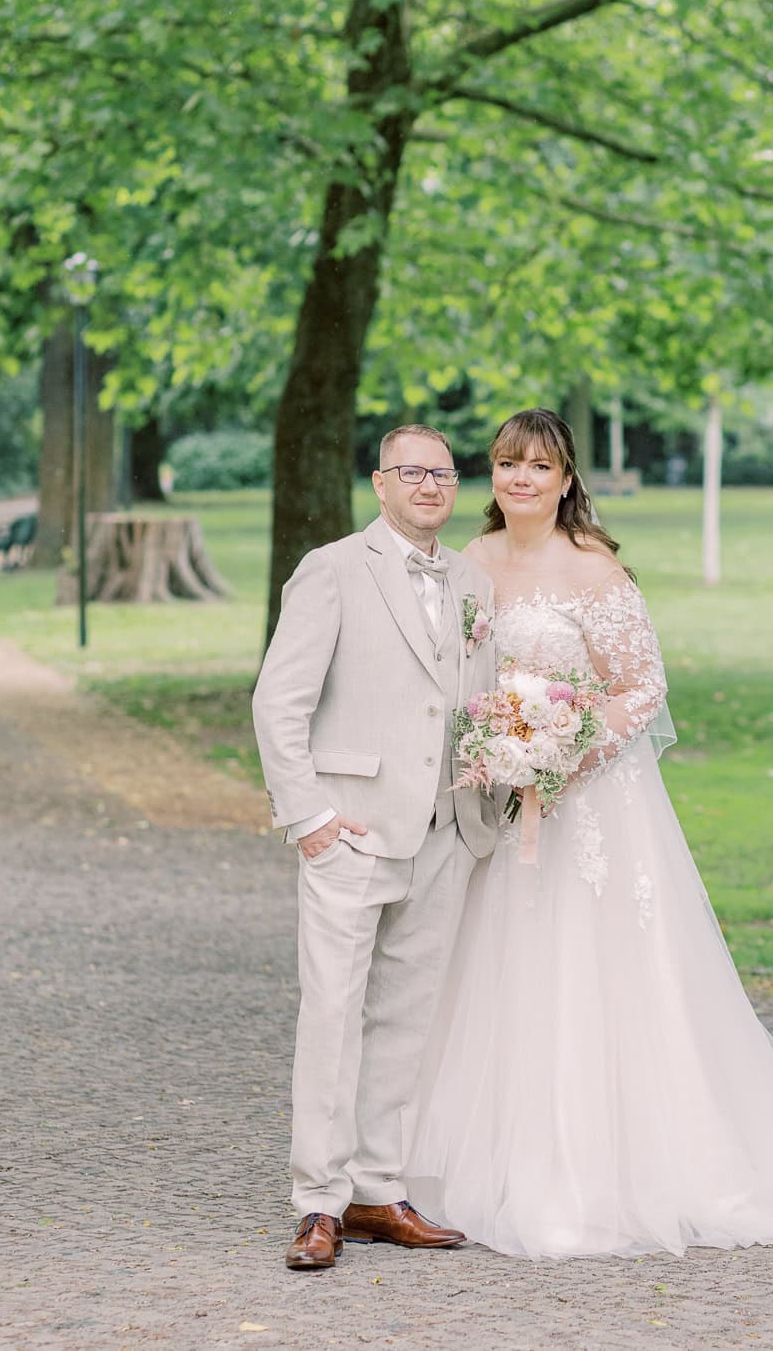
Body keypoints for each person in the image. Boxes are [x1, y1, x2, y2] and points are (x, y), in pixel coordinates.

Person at [406, 408, 773, 1260]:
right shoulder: (470, 564)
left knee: (594, 970)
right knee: (496, 970)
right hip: (503, 805)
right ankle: (486, 1160)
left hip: (590, 804)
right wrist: (498, 748)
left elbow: (642, 685)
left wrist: (561, 748)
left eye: (539, 467)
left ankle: (608, 1171)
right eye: (507, 463)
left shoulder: (593, 567)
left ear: (565, 479)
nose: (520, 479)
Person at [252, 425, 498, 1272]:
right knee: (332, 1013)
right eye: (411, 472)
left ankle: (376, 1189)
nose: (429, 485)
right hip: (350, 830)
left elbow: (471, 700)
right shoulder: (332, 568)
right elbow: (277, 701)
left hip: (446, 831)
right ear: (379, 481)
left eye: (443, 472)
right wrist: (309, 814)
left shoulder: (471, 579)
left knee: (405, 1017)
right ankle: (316, 1202)